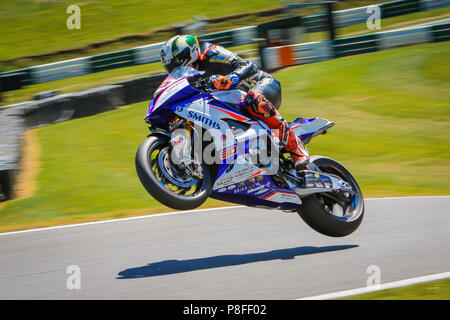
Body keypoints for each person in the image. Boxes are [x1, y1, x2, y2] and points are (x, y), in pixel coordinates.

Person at [160, 35, 309, 170]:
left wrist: (231, 79)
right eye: (170, 67)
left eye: (176, 64)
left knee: (253, 99)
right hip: (233, 102)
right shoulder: (188, 76)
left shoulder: (212, 53)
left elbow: (250, 66)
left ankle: (296, 149)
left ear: (187, 54)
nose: (175, 69)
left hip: (261, 85)